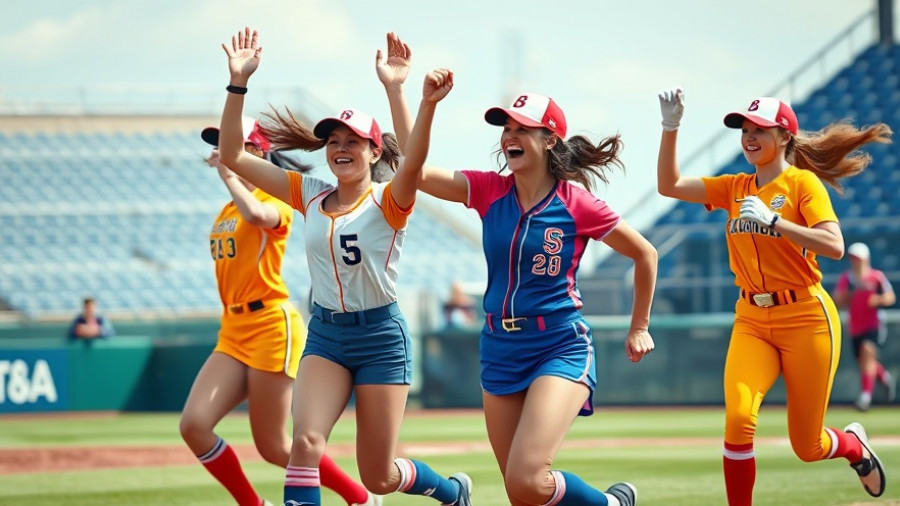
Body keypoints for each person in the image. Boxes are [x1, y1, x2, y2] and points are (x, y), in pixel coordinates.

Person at [380, 39, 656, 506]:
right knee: (520, 492)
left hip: (559, 344)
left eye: (523, 128)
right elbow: (416, 171)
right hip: (500, 347)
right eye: (506, 127)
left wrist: (640, 325)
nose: (509, 135)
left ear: (550, 140)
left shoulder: (576, 204)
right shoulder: (490, 191)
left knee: (528, 478)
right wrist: (409, 97)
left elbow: (645, 254)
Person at [217, 27, 471, 506]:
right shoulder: (309, 193)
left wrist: (397, 90)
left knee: (377, 477)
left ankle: (451, 490)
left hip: (379, 337)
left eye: (354, 140)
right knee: (304, 444)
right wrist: (237, 84)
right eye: (334, 139)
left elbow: (413, 162)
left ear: (375, 152)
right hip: (327, 335)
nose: (341, 147)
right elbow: (232, 155)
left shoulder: (389, 200)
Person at [656, 87, 892, 503]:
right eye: (744, 129)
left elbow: (834, 245)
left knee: (808, 446)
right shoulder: (734, 186)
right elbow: (669, 185)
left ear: (784, 136)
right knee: (738, 420)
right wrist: (670, 126)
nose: (749, 136)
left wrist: (776, 221)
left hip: (806, 316)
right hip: (752, 319)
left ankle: (854, 446)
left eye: (760, 129)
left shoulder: (803, 183)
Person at [179, 116, 380, 506]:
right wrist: (232, 182)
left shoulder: (275, 200)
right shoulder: (227, 208)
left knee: (273, 446)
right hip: (233, 327)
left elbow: (258, 217)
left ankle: (360, 497)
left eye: (232, 145)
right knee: (194, 425)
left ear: (258, 151)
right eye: (217, 144)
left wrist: (230, 175)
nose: (220, 151)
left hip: (271, 324)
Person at [833, 242, 896, 411]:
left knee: (867, 352)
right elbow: (837, 301)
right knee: (864, 361)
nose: (855, 261)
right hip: (855, 325)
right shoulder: (847, 279)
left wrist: (878, 299)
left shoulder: (876, 277)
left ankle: (865, 397)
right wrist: (848, 295)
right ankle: (883, 376)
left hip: (873, 323)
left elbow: (890, 296)